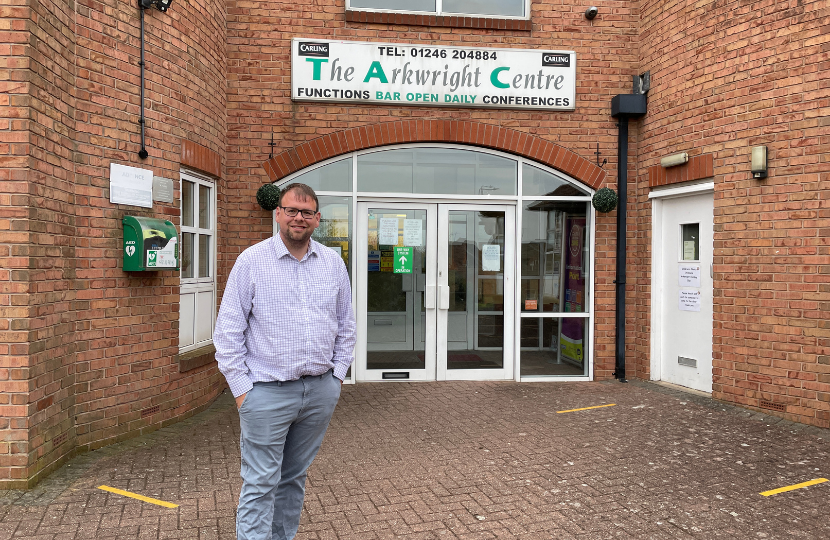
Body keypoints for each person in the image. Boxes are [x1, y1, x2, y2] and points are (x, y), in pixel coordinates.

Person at [213, 183, 355, 540]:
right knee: (260, 483)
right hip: (266, 393)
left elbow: (346, 324)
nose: (298, 218)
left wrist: (337, 377)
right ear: (278, 214)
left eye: (306, 212)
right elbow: (227, 332)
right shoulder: (252, 260)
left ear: (317, 219)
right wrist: (244, 392)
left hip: (319, 391)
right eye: (291, 210)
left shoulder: (333, 263)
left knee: (293, 478)